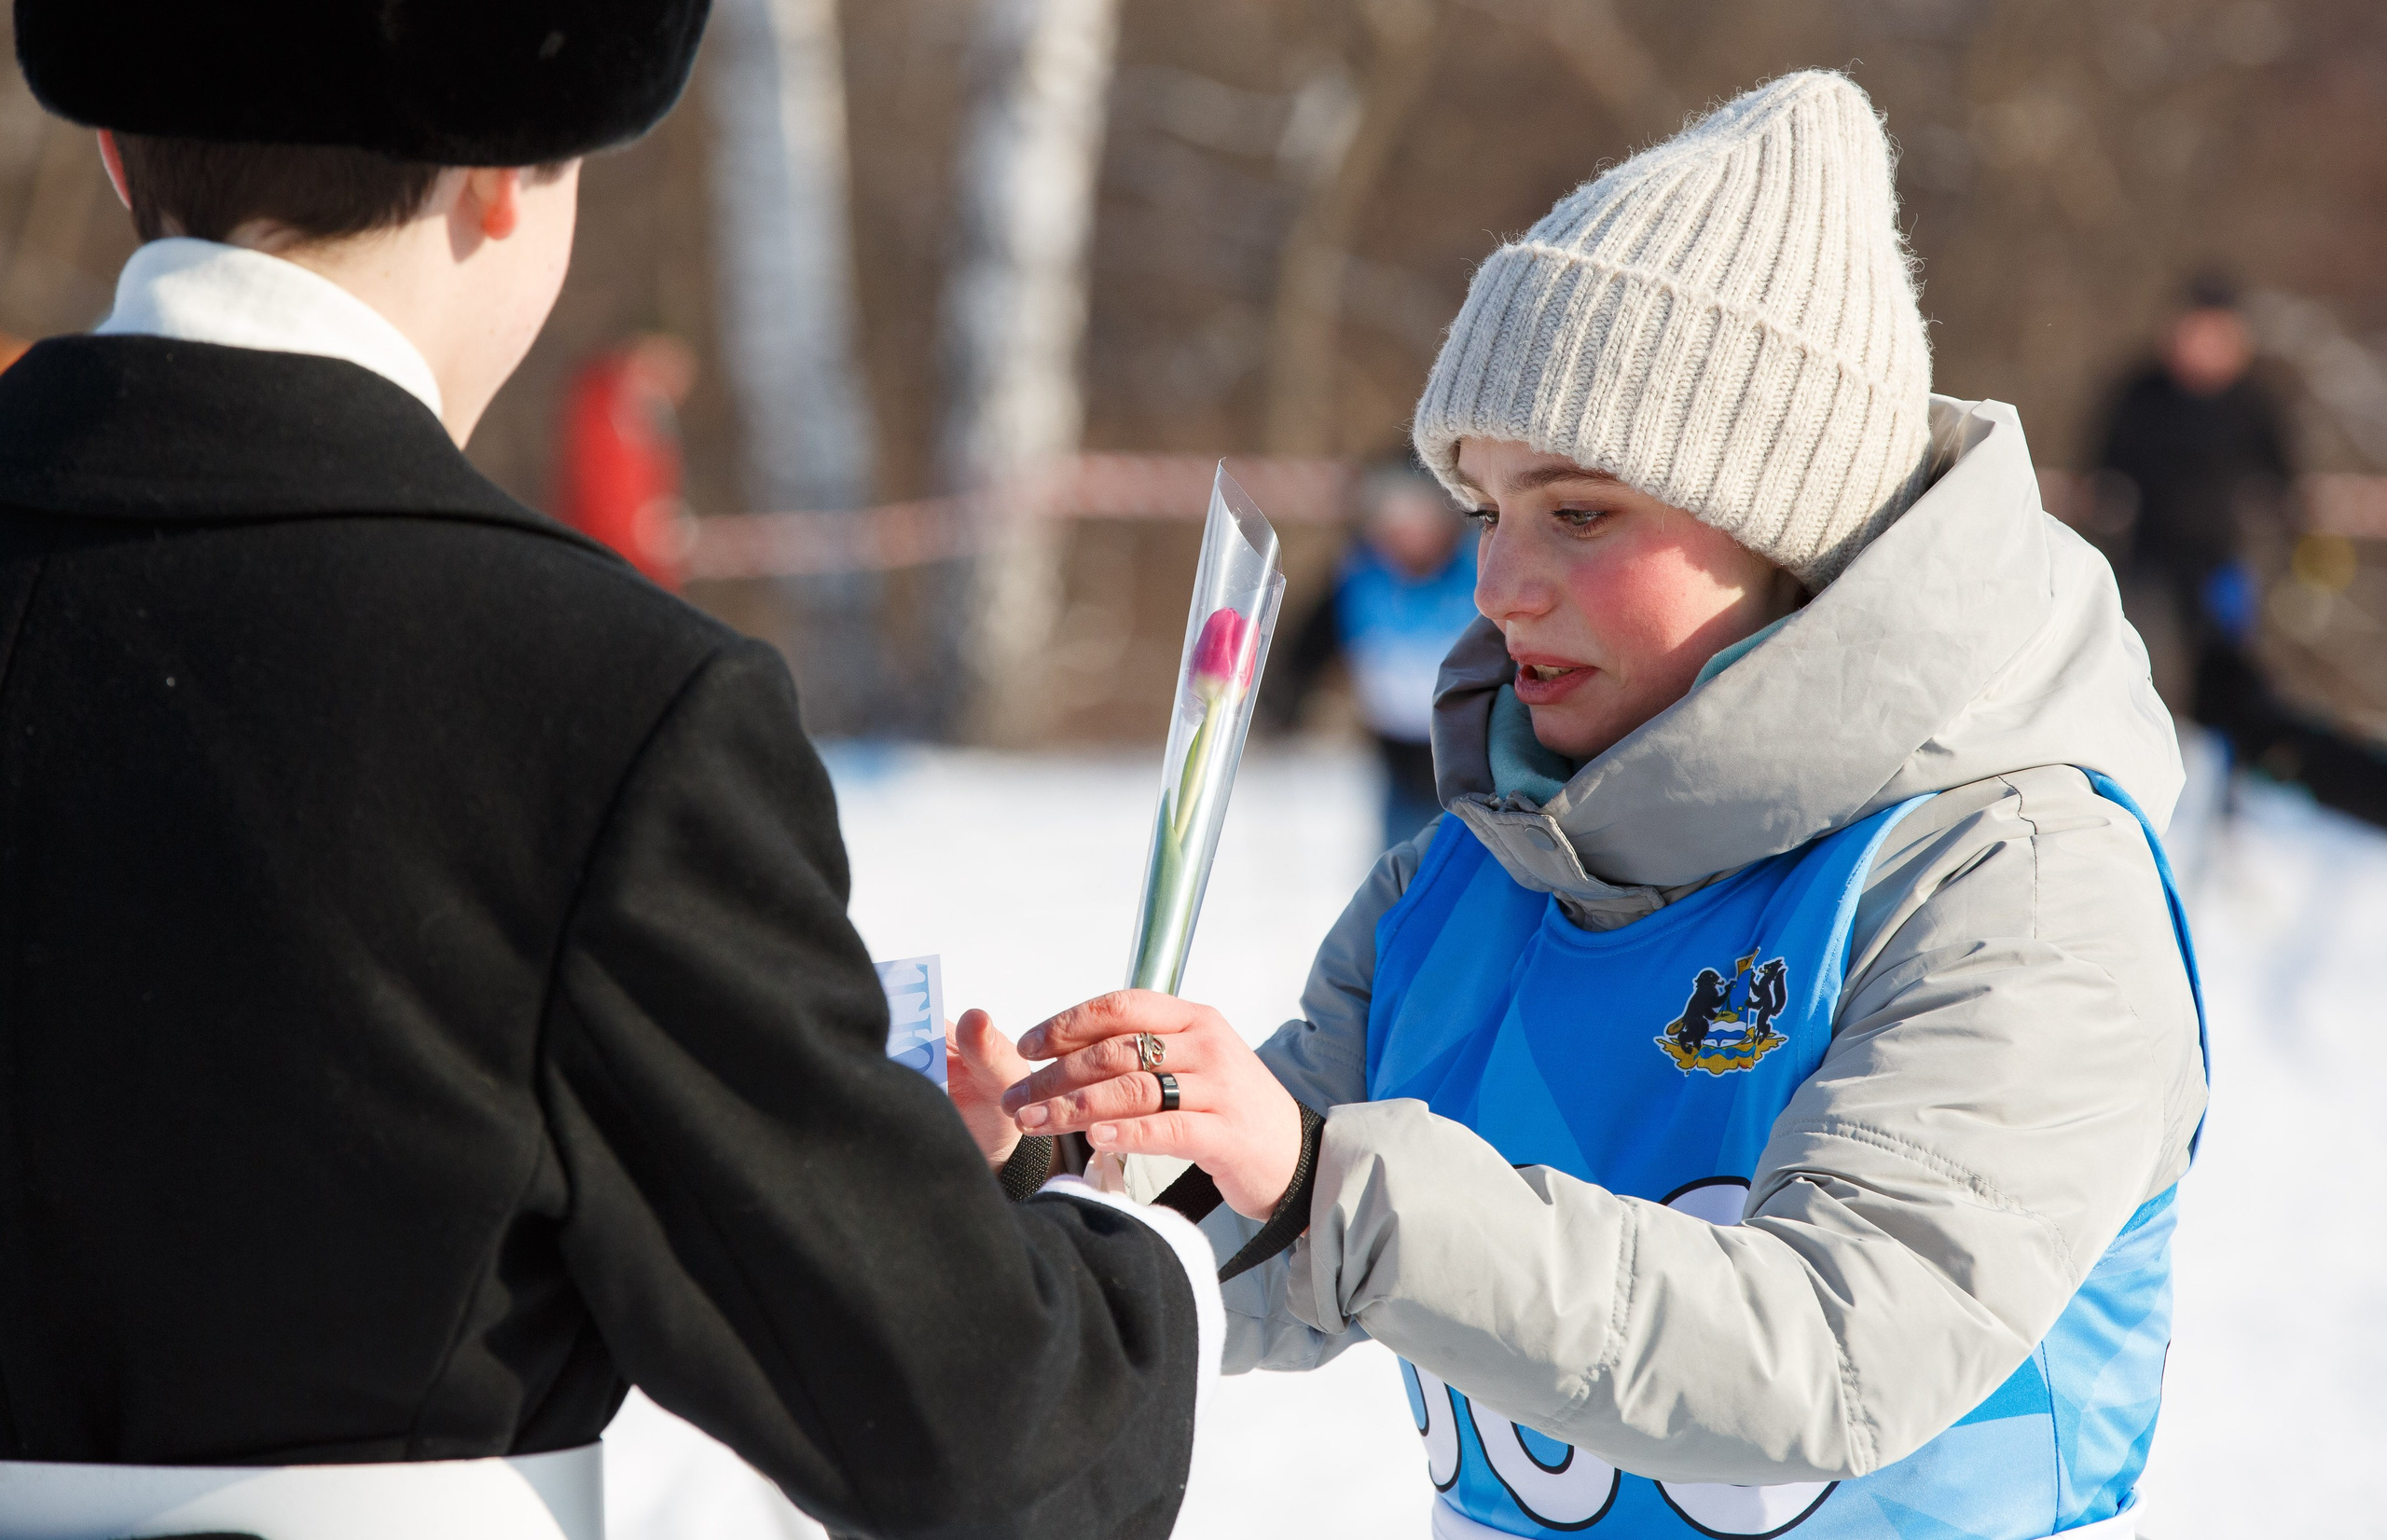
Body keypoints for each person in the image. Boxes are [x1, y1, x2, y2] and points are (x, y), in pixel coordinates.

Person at [0, 6, 1217, 1539]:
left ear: (114, 156)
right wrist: (1126, 1229)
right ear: (509, 177)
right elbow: (962, 1434)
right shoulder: (598, 698)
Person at [962, 73, 2207, 1538]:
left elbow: (1840, 1348)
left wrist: (1331, 1191)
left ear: (1781, 522)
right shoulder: (1468, 886)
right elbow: (1267, 1234)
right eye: (1487, 510)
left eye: (1583, 510)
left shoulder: (2010, 881)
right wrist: (1049, 1170)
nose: (1496, 583)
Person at [2095, 277, 2387, 826]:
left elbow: (2286, 487)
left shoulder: (2255, 404)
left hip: (2225, 568)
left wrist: (2309, 551)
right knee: (2141, 678)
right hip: (2147, 568)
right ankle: (2132, 798)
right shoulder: (2138, 394)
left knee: (2230, 690)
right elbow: (2104, 481)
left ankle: (2227, 808)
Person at [1267, 457, 1481, 849]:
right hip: (1397, 761)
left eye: (1416, 513)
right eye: (1391, 515)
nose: (1404, 530)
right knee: (1400, 869)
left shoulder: (1479, 570)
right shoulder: (1361, 576)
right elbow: (1308, 644)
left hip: (1478, 766)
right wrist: (1284, 698)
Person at [555, 334, 700, 590]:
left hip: (627, 571)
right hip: (594, 563)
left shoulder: (655, 435)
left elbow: (659, 505)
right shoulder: (602, 410)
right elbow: (598, 499)